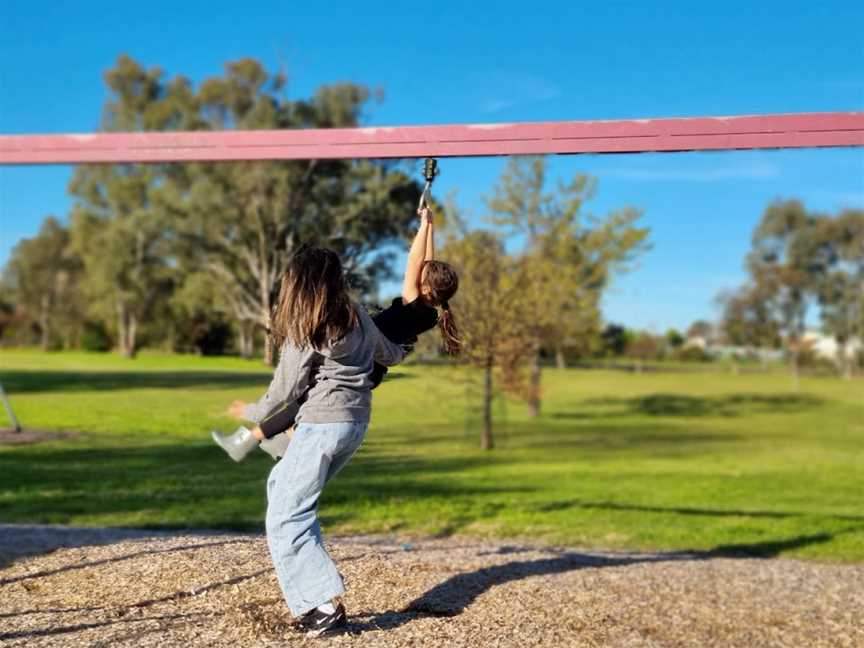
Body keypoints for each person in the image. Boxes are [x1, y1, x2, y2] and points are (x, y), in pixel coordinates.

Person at [231, 246, 406, 637]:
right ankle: (315, 602)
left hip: (322, 425)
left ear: (298, 283)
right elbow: (388, 354)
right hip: (354, 425)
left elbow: (283, 392)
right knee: (285, 493)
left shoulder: (308, 324)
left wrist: (250, 414)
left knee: (286, 515)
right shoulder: (356, 313)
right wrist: (407, 338)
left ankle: (323, 605)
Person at [214, 206, 460, 462]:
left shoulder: (413, 302)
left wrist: (423, 227)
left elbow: (415, 262)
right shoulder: (430, 313)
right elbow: (426, 265)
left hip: (357, 360)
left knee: (306, 398)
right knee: (306, 399)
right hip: (371, 366)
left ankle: (251, 441)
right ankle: (275, 442)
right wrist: (429, 223)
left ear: (425, 286)